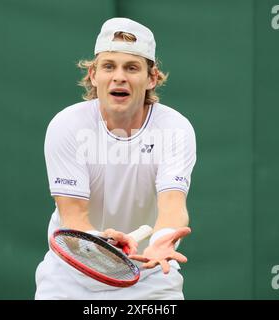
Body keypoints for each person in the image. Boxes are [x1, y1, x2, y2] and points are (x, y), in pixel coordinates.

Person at [35, 17, 197, 300]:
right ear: (93, 75)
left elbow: (173, 205)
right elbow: (73, 218)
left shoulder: (175, 129)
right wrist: (105, 244)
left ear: (152, 78)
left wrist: (160, 242)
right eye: (109, 66)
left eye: (131, 67)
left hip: (151, 275)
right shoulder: (67, 125)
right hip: (71, 279)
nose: (119, 76)